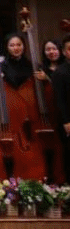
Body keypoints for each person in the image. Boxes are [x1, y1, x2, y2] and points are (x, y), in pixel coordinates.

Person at [51, 34, 70, 182]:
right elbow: (59, 100)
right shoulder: (60, 72)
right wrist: (66, 122)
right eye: (69, 49)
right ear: (64, 52)